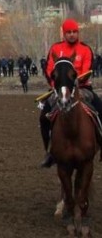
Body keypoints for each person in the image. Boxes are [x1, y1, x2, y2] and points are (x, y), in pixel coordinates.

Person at [38, 18, 102, 168]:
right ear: (64, 34)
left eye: (74, 32)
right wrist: (57, 86)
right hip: (59, 89)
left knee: (100, 108)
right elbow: (49, 70)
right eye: (69, 32)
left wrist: (74, 84)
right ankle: (49, 152)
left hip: (82, 88)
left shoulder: (85, 49)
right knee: (43, 117)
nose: (72, 35)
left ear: (78, 33)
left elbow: (87, 70)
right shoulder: (55, 49)